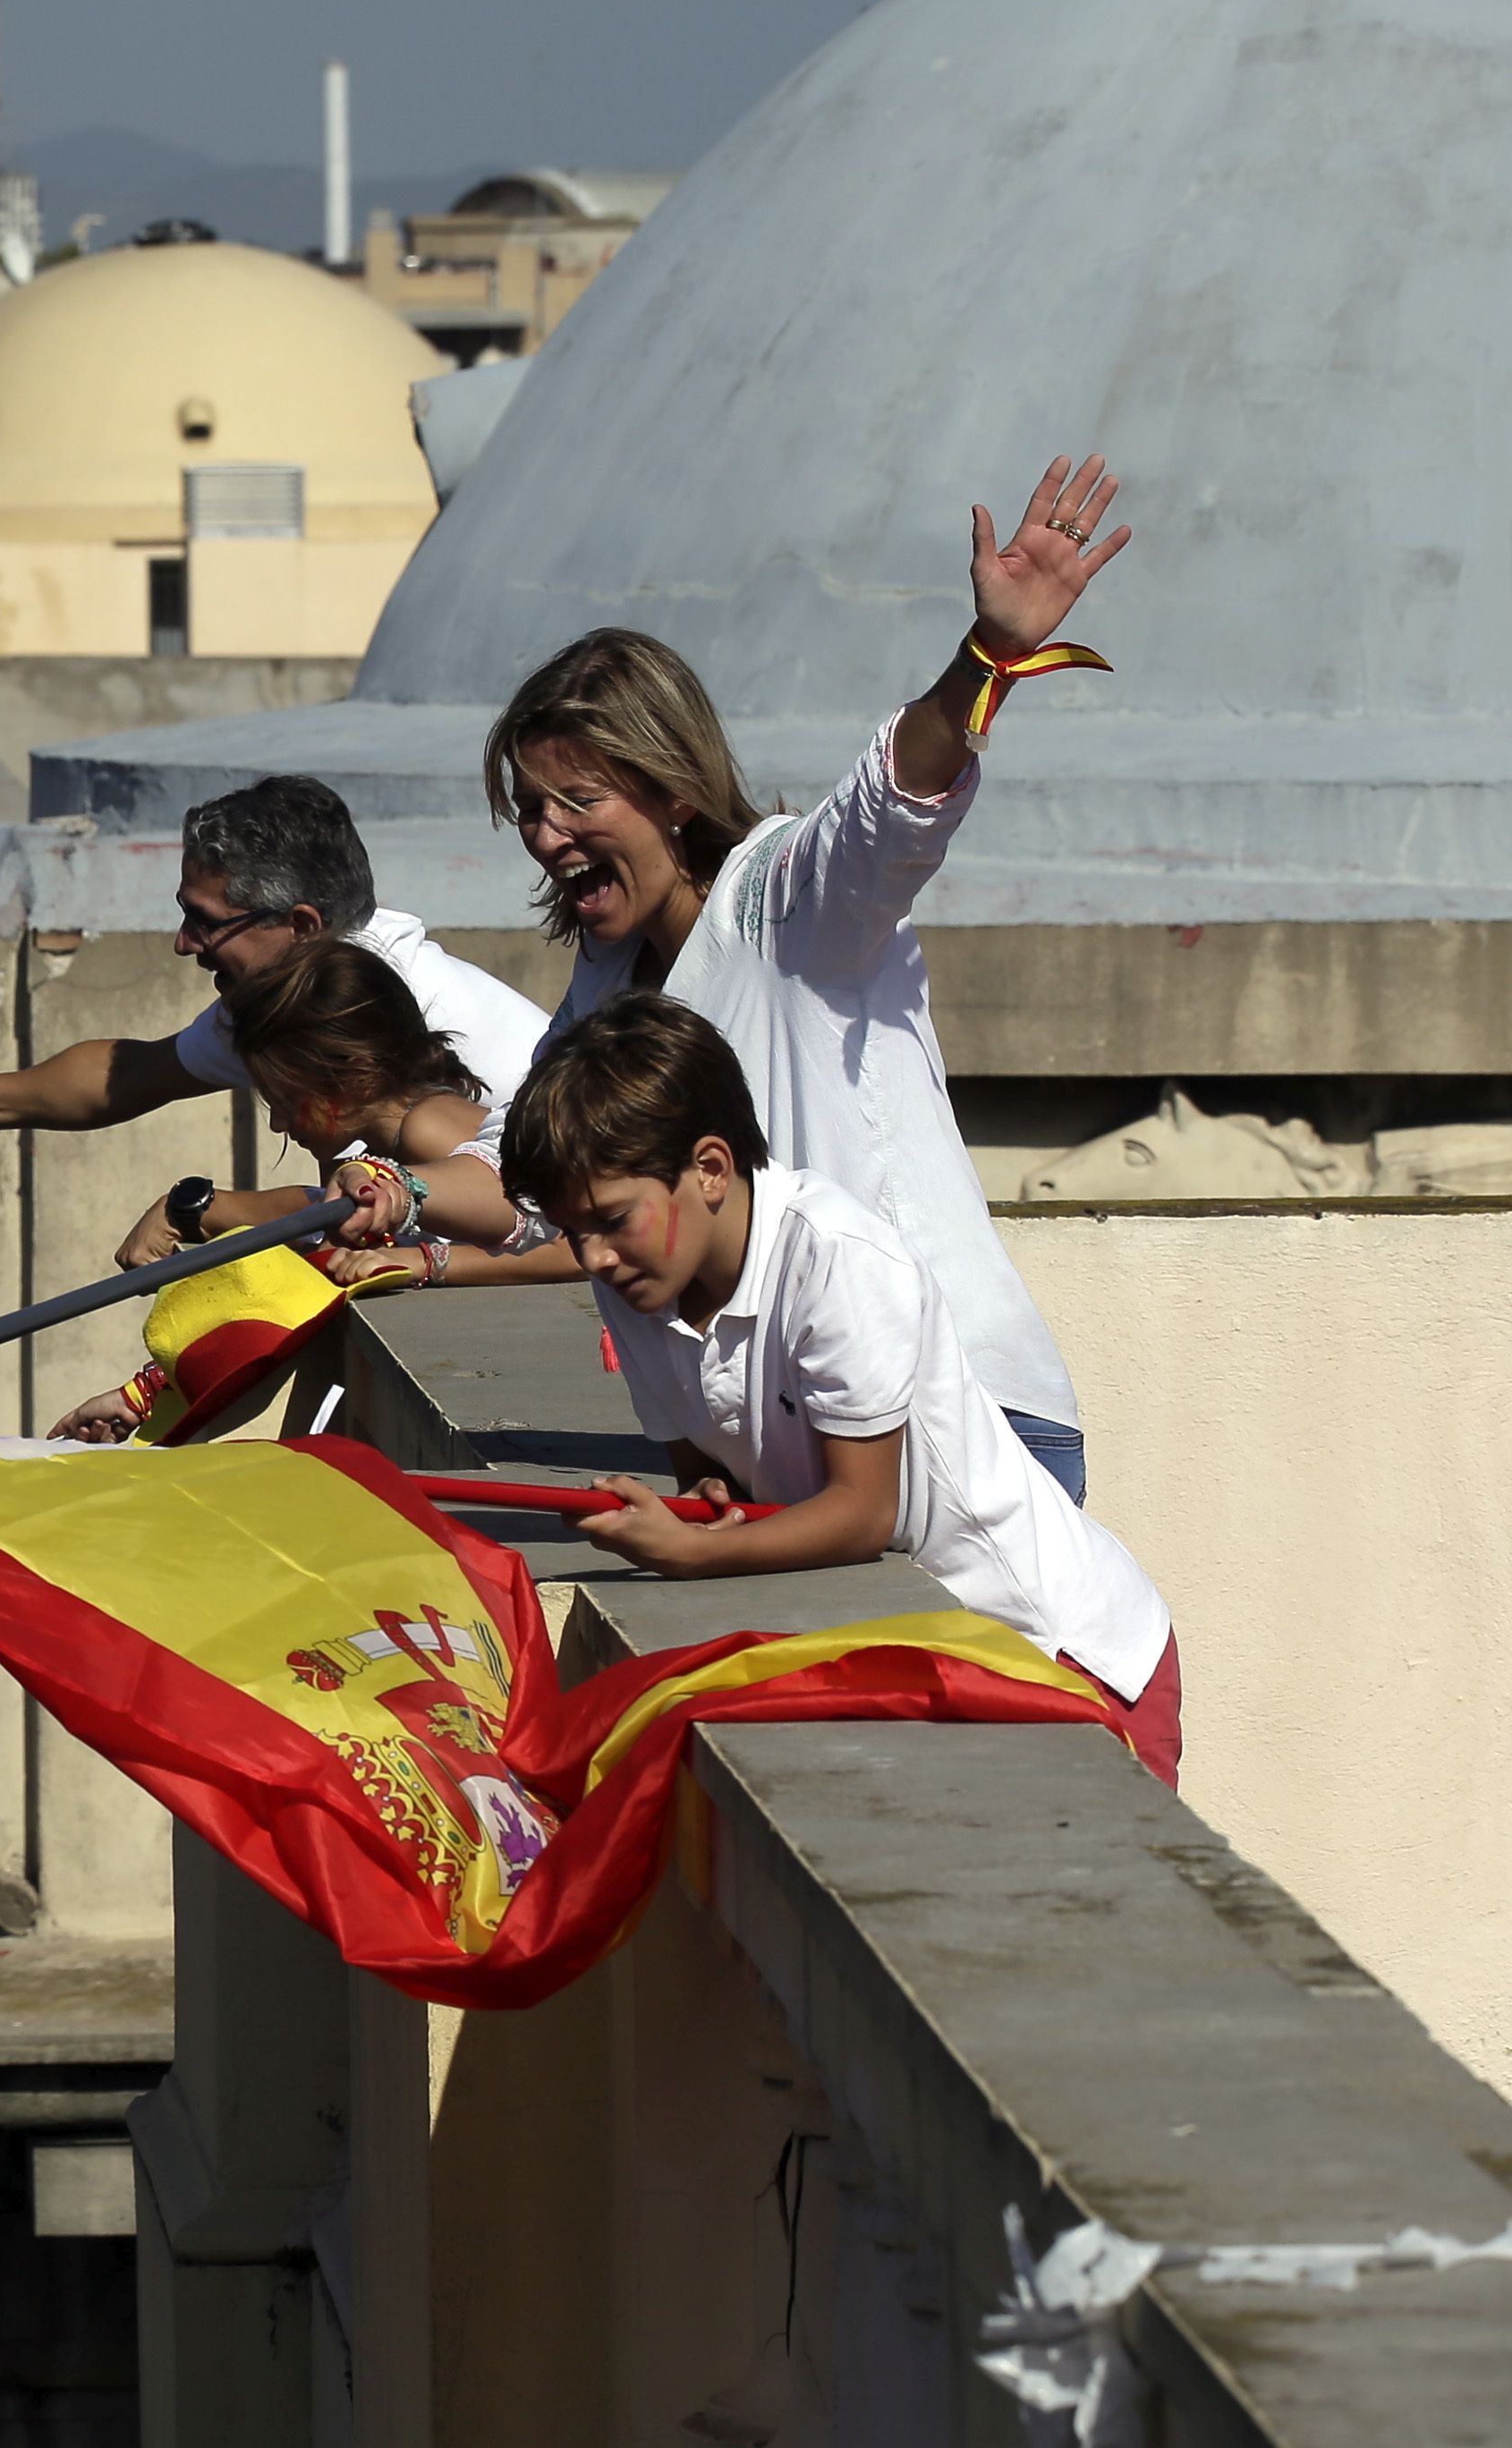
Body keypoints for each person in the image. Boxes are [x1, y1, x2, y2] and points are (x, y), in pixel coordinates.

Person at [459, 454, 1127, 1505]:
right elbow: (522, 1172)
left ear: (674, 789)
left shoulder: (789, 898)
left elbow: (893, 799)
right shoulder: (608, 984)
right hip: (810, 1441)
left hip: (962, 1420)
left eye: (576, 800)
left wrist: (985, 658)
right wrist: (389, 1194)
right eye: (530, 811)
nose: (547, 837)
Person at [507, 990, 1179, 1781]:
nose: (591, 1258)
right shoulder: (638, 1284)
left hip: (1057, 1646)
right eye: (572, 1231)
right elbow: (710, 1475)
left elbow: (862, 1512)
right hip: (921, 1643)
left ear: (711, 1169)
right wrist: (705, 1505)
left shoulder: (837, 1259)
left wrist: (690, 1552)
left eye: (613, 1220)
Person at [0, 774, 550, 1195]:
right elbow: (133, 1072)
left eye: (204, 923)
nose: (183, 944)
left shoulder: (354, 1020)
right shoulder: (308, 992)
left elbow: (400, 1206)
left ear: (302, 924)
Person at [79, 931, 523, 1284]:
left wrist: (428, 1262)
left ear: (356, 1072)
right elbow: (317, 1212)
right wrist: (190, 1210)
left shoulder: (428, 1128)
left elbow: (565, 1239)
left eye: (287, 1100)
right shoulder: (385, 1136)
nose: (278, 1123)